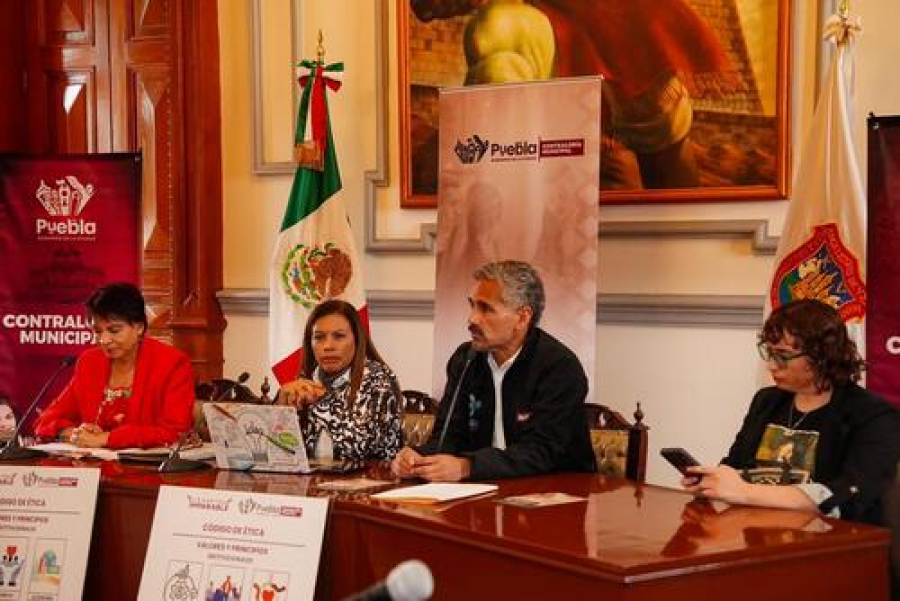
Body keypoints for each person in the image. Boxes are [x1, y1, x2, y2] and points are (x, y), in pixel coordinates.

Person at [683, 299, 900, 524]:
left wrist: (743, 491)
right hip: (757, 531)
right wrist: (713, 483)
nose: (772, 365)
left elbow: (849, 494)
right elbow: (736, 466)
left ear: (821, 355)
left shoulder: (874, 415)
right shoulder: (767, 401)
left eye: (783, 356)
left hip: (832, 539)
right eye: (769, 353)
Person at [391, 260, 595, 482]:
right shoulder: (466, 359)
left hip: (555, 490)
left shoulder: (559, 368)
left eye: (486, 308)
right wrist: (418, 458)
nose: (472, 319)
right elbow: (448, 438)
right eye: (472, 305)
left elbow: (541, 452)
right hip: (483, 488)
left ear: (522, 317)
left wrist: (467, 467)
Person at [33, 283, 195, 449]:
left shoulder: (172, 363)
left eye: (114, 330)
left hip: (148, 464)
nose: (104, 340)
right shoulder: (90, 362)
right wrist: (73, 433)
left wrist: (107, 439)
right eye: (97, 331)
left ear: (139, 327)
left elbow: (176, 432)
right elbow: (46, 419)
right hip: (93, 462)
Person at [277, 300, 403, 461]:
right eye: (319, 337)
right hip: (314, 477)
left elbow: (356, 449)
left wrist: (322, 399)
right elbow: (282, 453)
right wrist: (281, 409)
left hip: (375, 475)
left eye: (339, 336)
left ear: (357, 339)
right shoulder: (305, 380)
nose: (328, 346)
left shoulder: (379, 379)